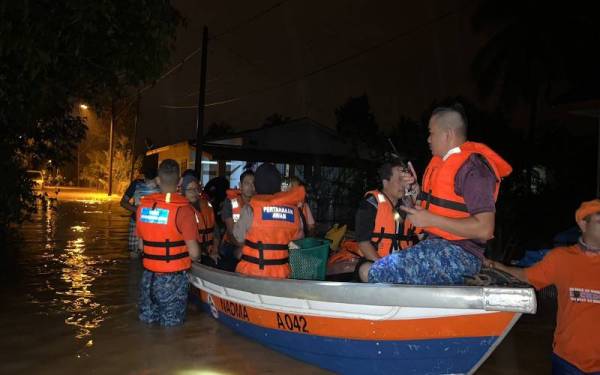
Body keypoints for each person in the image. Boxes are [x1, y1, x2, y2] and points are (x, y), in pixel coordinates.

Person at [360, 103, 512, 284]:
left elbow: (484, 229)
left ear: (447, 134)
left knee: (369, 271)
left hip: (459, 254)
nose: (428, 140)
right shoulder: (442, 165)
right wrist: (415, 190)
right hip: (436, 247)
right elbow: (435, 210)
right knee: (366, 268)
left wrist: (431, 220)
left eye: (431, 133)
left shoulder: (473, 169)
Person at [487, 199, 600, 374]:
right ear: (583, 224)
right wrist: (495, 266)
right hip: (568, 361)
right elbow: (526, 276)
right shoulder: (561, 259)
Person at [136, 159, 200, 327]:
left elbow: (141, 246)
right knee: (171, 331)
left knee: (147, 327)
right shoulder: (184, 210)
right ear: (179, 181)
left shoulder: (143, 207)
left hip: (148, 278)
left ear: (158, 180)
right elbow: (194, 253)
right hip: (173, 281)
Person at [234, 163, 305, 278]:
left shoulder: (250, 208)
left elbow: (238, 237)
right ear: (278, 186)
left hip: (251, 273)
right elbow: (299, 239)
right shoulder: (293, 211)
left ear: (256, 186)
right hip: (281, 275)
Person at [354, 159, 419, 263]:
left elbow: (423, 234)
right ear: (385, 182)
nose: (403, 185)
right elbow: (363, 242)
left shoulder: (408, 205)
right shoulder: (371, 203)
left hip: (405, 266)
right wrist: (383, 269)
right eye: (399, 180)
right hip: (377, 265)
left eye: (405, 180)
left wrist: (416, 195)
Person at [180, 173, 220, 266]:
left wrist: (215, 249)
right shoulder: (182, 210)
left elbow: (216, 231)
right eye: (190, 189)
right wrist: (202, 253)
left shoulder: (207, 205)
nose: (194, 192)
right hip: (192, 255)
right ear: (183, 192)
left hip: (211, 251)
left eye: (196, 189)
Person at [120, 164, 160, 257]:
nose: (150, 184)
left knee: (152, 252)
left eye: (153, 182)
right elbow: (123, 202)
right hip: (136, 222)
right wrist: (137, 209)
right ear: (144, 178)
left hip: (154, 224)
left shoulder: (161, 187)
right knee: (135, 252)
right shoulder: (136, 184)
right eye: (148, 181)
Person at [219, 170, 255, 271]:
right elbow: (231, 234)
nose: (250, 187)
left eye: (253, 184)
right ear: (240, 185)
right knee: (241, 253)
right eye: (247, 183)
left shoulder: (259, 203)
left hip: (252, 244)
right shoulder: (230, 202)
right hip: (232, 244)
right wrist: (246, 247)